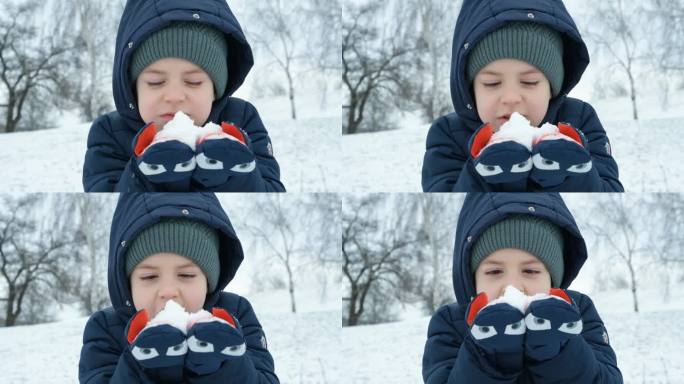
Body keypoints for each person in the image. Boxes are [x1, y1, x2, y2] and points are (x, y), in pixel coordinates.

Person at [83, 0, 285, 192]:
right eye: (155, 82)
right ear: (133, 88)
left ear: (215, 89)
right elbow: (106, 193)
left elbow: (271, 190)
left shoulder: (241, 119)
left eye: (193, 82)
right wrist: (146, 173)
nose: (174, 97)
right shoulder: (109, 133)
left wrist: (235, 170)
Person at [421, 0, 623, 192]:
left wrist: (571, 171)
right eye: (492, 83)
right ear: (469, 88)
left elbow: (610, 190)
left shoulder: (579, 120)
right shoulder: (449, 134)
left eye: (529, 82)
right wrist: (483, 173)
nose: (511, 98)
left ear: (553, 87)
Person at [422, 193, 622, 383]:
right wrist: (489, 353)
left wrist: (561, 346)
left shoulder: (578, 311)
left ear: (552, 279)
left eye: (530, 271)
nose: (513, 287)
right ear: (471, 278)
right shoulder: (450, 324)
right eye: (494, 272)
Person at [79, 193, 278, 383]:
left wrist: (223, 361)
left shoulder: (234, 314)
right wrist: (142, 362)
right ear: (126, 282)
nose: (168, 291)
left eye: (186, 275)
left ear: (209, 281)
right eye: (149, 276)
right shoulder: (106, 328)